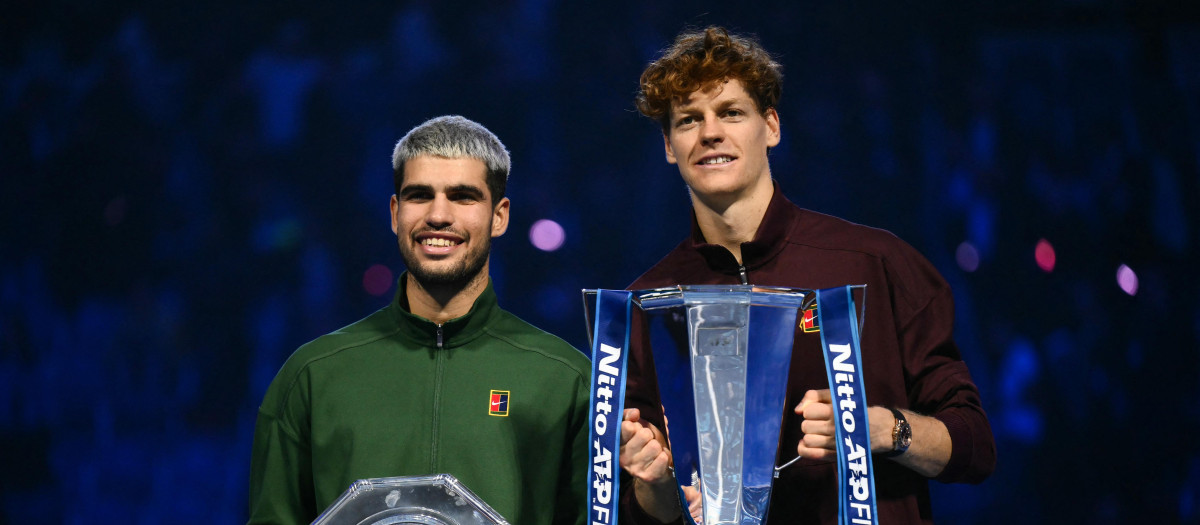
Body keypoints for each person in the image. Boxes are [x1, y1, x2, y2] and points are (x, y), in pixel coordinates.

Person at [617, 27, 996, 524]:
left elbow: (974, 446)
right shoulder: (647, 303)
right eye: (689, 119)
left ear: (771, 127)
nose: (710, 133)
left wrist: (881, 429)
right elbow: (644, 510)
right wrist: (655, 483)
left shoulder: (875, 263)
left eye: (731, 112)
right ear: (669, 146)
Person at [248, 115, 589, 525]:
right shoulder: (312, 375)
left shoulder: (565, 379)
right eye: (419, 195)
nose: (438, 215)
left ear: (499, 216)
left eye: (463, 197)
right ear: (395, 213)